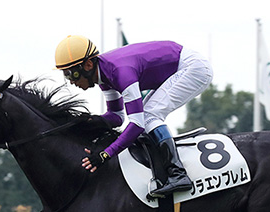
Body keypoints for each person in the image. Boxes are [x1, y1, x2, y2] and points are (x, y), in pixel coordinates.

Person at [55, 35, 213, 197]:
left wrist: (105, 154)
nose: (71, 81)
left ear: (88, 65)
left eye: (72, 74)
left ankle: (178, 174)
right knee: (147, 115)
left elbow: (137, 125)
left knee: (149, 115)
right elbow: (117, 117)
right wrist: (89, 122)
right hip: (179, 66)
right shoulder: (104, 77)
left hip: (193, 68)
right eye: (66, 75)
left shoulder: (120, 73)